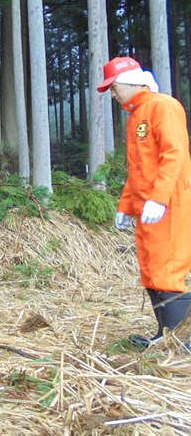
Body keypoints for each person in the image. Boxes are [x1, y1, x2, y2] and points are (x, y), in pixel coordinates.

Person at [97, 56, 191, 348]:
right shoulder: (136, 117)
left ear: (130, 81)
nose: (112, 93)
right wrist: (126, 207)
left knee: (167, 270)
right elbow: (138, 170)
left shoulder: (162, 106)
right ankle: (165, 336)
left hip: (169, 204)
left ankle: (181, 339)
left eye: (113, 87)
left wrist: (159, 199)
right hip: (148, 209)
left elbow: (174, 155)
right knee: (151, 271)